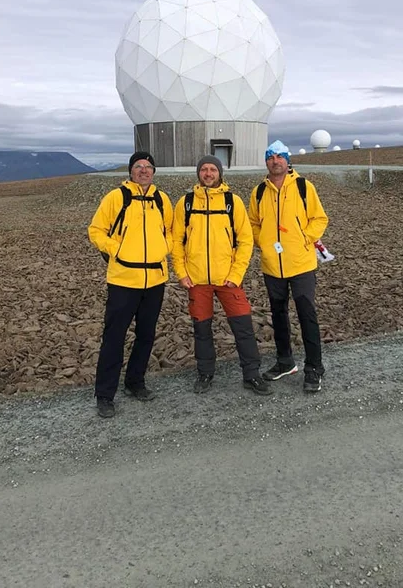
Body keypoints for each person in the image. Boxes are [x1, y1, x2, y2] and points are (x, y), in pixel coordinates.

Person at [172, 155, 271, 396]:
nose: (208, 173)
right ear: (198, 173)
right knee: (202, 329)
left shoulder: (232, 202)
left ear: (220, 173)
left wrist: (236, 274)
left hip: (228, 279)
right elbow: (176, 241)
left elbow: (246, 240)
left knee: (243, 326)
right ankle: (205, 373)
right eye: (204, 169)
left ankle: (251, 374)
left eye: (212, 169)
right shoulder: (185, 203)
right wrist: (182, 273)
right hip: (197, 280)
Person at [88, 151, 173, 418]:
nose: (144, 170)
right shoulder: (117, 198)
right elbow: (96, 230)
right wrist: (117, 249)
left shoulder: (161, 199)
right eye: (138, 166)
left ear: (154, 172)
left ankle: (135, 382)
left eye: (148, 166)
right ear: (130, 171)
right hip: (123, 280)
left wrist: (164, 249)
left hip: (155, 280)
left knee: (146, 336)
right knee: (114, 338)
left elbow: (170, 231)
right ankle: (105, 394)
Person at [248, 140, 329, 392]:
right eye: (271, 157)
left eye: (280, 156)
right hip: (273, 265)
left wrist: (303, 238)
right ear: (266, 161)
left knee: (307, 315)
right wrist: (264, 241)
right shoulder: (259, 192)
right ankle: (285, 362)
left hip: (301, 263)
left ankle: (314, 368)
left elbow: (319, 218)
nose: (276, 161)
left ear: (287, 160)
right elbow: (252, 223)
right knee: (278, 314)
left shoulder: (304, 187)